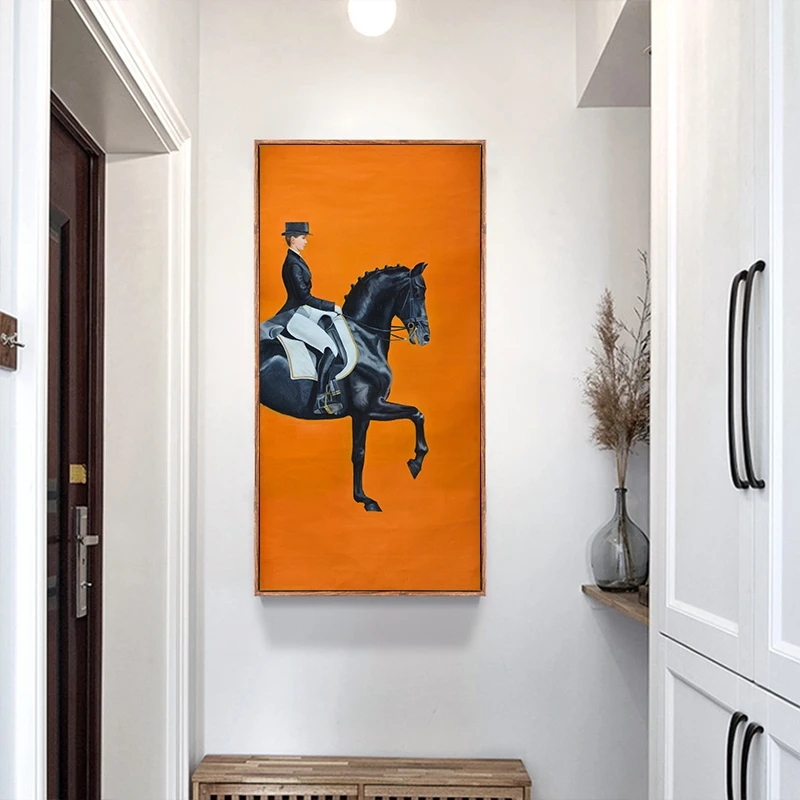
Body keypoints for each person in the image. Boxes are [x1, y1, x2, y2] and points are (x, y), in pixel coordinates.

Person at [278, 222, 343, 415]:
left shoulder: (296, 259)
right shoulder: (293, 264)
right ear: (293, 239)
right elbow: (305, 297)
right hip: (294, 314)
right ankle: (320, 399)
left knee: (335, 320)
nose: (306, 241)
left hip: (302, 309)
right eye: (303, 238)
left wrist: (331, 311)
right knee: (330, 348)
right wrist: (331, 306)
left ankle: (333, 383)